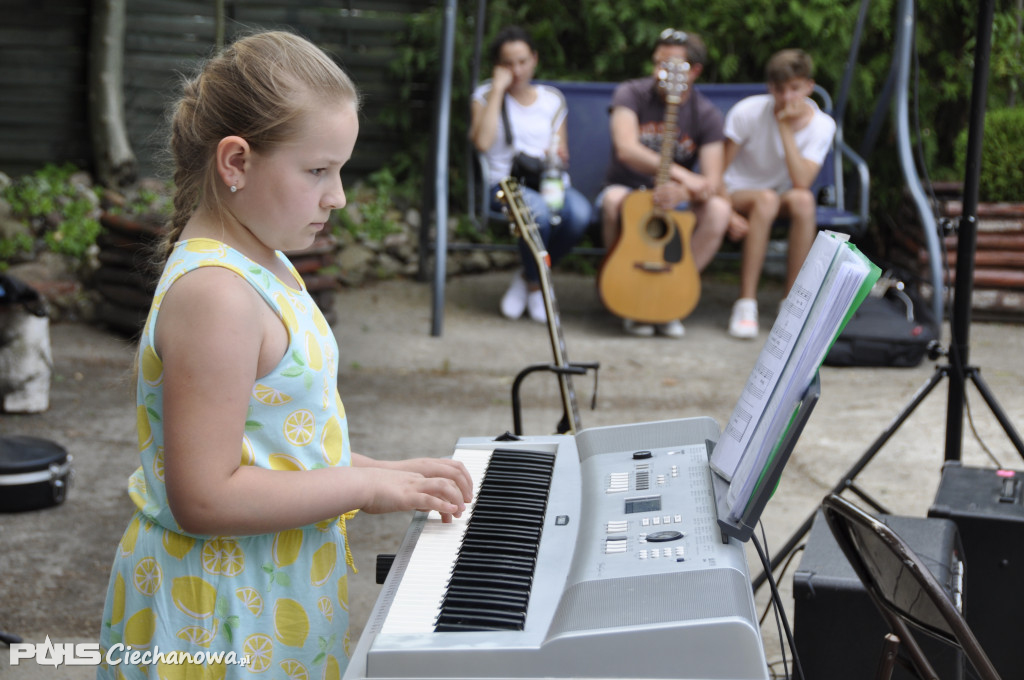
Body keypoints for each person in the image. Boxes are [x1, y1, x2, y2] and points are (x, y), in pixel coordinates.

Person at [96, 31, 473, 678]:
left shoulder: (262, 258)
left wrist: (389, 470)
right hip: (217, 617)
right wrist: (364, 485)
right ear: (235, 162)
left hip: (268, 598)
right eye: (318, 170)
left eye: (340, 170)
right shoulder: (218, 295)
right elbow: (206, 497)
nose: (339, 196)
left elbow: (276, 446)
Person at [599, 28, 737, 338]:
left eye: (670, 66)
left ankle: (671, 292)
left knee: (718, 210)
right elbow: (626, 148)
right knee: (612, 201)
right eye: (657, 64)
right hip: (628, 189)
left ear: (694, 71)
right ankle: (623, 290)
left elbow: (713, 181)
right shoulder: (631, 93)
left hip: (673, 200)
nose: (660, 73)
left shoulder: (706, 114)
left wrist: (683, 190)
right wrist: (683, 173)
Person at [469, 25, 593, 323]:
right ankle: (537, 287)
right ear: (498, 66)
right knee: (535, 211)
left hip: (548, 180)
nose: (517, 69)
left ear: (534, 59)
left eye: (523, 61)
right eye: (508, 63)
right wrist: (498, 88)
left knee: (579, 214)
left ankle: (527, 276)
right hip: (505, 185)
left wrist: (559, 154)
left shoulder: (552, 99)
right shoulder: (485, 96)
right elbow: (482, 143)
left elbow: (559, 146)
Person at [722, 48, 836, 339]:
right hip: (736, 192)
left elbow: (801, 182)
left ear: (809, 86)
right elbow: (718, 171)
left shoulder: (823, 125)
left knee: (803, 200)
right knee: (766, 199)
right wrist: (726, 210)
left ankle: (791, 306)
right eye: (780, 90)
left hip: (780, 196)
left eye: (795, 89)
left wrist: (784, 127)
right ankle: (746, 303)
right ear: (770, 88)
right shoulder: (747, 111)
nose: (787, 98)